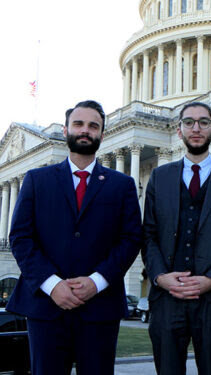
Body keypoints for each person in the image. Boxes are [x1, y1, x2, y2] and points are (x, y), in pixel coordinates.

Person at [6, 100, 142, 375]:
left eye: (93, 126)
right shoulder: (37, 179)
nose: (85, 130)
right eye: (78, 124)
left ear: (102, 136)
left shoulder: (122, 185)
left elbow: (130, 239)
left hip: (100, 307)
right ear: (67, 129)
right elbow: (20, 237)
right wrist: (52, 284)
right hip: (45, 306)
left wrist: (96, 281)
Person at [143, 102, 211, 375]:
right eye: (189, 122)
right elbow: (149, 233)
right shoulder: (159, 176)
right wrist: (160, 277)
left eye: (203, 122)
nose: (196, 128)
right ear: (179, 131)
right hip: (167, 298)